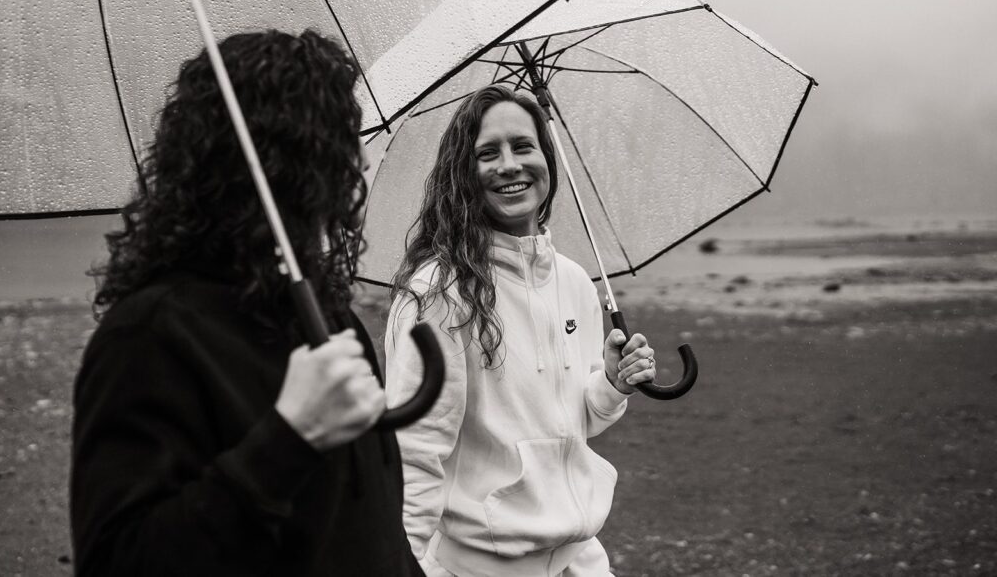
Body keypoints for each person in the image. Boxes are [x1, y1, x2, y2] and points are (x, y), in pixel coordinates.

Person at [70, 29, 422, 576]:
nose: (365, 163)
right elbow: (120, 561)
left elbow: (375, 527)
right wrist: (289, 439)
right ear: (293, 160)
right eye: (346, 138)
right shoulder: (148, 336)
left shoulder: (332, 318)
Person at [385, 84, 657, 576]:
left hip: (582, 559)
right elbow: (414, 452)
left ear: (547, 157)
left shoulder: (574, 280)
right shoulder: (438, 294)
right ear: (463, 174)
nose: (509, 165)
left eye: (523, 146)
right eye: (488, 153)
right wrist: (399, 565)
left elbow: (575, 423)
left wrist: (611, 387)